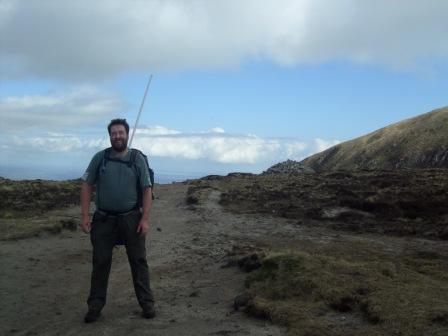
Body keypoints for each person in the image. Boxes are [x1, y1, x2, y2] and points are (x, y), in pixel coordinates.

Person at [80, 118, 155, 323]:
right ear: (109, 135)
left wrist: (145, 219)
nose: (117, 136)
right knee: (100, 262)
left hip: (132, 218)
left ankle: (147, 303)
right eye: (114, 133)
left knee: (138, 261)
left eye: (121, 132)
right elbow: (87, 185)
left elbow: (147, 190)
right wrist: (85, 215)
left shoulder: (137, 158)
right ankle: (95, 306)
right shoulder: (100, 158)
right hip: (104, 219)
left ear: (127, 134)